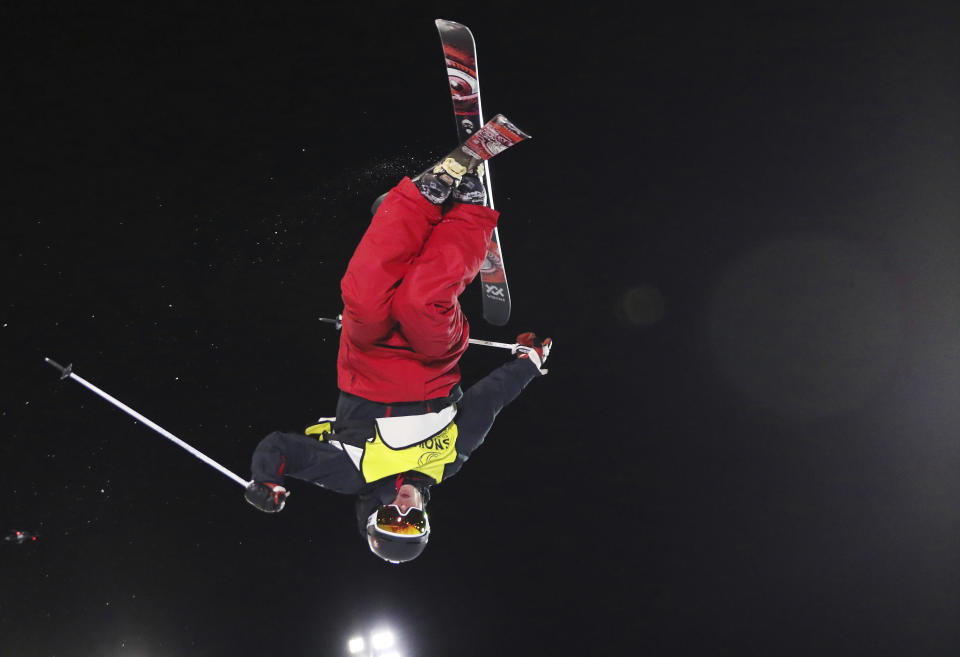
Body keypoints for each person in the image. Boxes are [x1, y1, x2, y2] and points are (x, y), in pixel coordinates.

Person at [244, 157, 551, 564]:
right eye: (413, 522)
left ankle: (420, 200)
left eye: (392, 519)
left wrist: (267, 480)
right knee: (420, 304)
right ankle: (468, 214)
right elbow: (485, 402)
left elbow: (281, 447)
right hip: (431, 368)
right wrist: (527, 364)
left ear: (373, 514)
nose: (403, 509)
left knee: (365, 298)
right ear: (426, 517)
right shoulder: (446, 463)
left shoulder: (350, 474)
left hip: (366, 365)